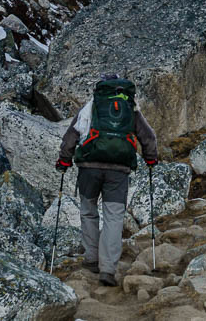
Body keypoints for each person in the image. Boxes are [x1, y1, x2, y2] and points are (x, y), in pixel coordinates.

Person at [56, 74, 158, 287]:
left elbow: (70, 137)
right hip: (118, 171)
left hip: (89, 168)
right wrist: (151, 159)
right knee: (114, 217)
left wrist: (64, 162)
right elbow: (148, 136)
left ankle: (92, 258)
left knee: (88, 211)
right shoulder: (130, 108)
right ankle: (108, 269)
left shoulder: (91, 107)